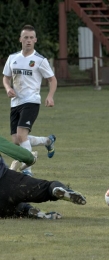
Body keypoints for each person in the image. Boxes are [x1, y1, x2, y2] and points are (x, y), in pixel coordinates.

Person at [2, 24, 57, 177]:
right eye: (25, 37)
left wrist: (50, 96)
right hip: (15, 103)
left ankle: (27, 169)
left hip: (32, 101)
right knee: (16, 141)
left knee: (21, 135)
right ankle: (47, 141)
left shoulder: (40, 60)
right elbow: (5, 78)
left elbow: (52, 80)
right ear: (20, 39)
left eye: (31, 38)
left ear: (35, 40)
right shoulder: (13, 58)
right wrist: (7, 88)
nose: (28, 40)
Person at [0, 135, 86, 219]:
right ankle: (56, 190)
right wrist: (32, 159)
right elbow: (26, 156)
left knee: (13, 208)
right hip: (6, 179)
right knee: (46, 188)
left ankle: (28, 211)